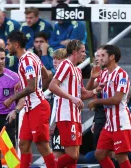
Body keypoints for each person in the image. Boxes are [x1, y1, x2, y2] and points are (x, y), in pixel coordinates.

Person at [3, 31, 56, 168]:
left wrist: (11, 99)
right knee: (23, 144)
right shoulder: (32, 55)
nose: (6, 47)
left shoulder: (26, 60)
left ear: (16, 45)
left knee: (42, 145)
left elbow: (31, 87)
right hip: (29, 107)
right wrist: (23, 81)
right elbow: (45, 74)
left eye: (8, 44)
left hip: (38, 106)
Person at [49, 40, 99, 168]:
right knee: (72, 155)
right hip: (66, 115)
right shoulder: (65, 65)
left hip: (75, 116)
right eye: (82, 51)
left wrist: (96, 90)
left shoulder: (77, 70)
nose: (84, 54)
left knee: (75, 155)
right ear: (75, 52)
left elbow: (82, 94)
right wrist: (72, 98)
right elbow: (52, 86)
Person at [88, 45, 131, 168]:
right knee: (99, 154)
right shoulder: (105, 73)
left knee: (121, 156)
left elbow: (117, 99)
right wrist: (92, 77)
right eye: (98, 55)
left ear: (112, 57)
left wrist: (97, 102)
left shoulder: (121, 75)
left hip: (121, 122)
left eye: (103, 55)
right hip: (109, 123)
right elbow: (89, 89)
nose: (99, 58)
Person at [49, 48, 68, 159]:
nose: (55, 62)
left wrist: (52, 125)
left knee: (58, 156)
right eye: (54, 59)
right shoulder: (60, 77)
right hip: (62, 121)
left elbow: (59, 103)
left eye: (58, 59)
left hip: (62, 122)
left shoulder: (62, 80)